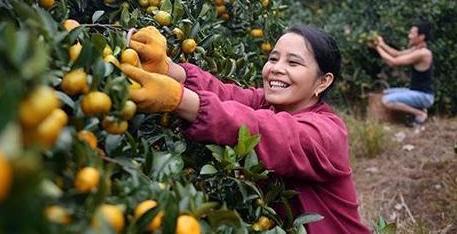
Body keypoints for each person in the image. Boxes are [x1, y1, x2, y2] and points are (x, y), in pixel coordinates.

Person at [122, 24, 371, 234]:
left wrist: (179, 99)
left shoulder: (327, 133)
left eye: (293, 63)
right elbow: (226, 95)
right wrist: (169, 69)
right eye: (273, 58)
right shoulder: (268, 102)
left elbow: (267, 131)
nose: (276, 68)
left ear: (323, 81)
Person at [369, 22, 434, 126]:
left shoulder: (423, 53)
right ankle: (420, 109)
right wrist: (381, 44)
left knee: (386, 101)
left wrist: (377, 48)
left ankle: (419, 113)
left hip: (424, 96)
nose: (409, 36)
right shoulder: (416, 49)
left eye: (412, 33)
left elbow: (392, 62)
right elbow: (397, 54)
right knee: (386, 92)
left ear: (421, 37)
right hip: (415, 91)